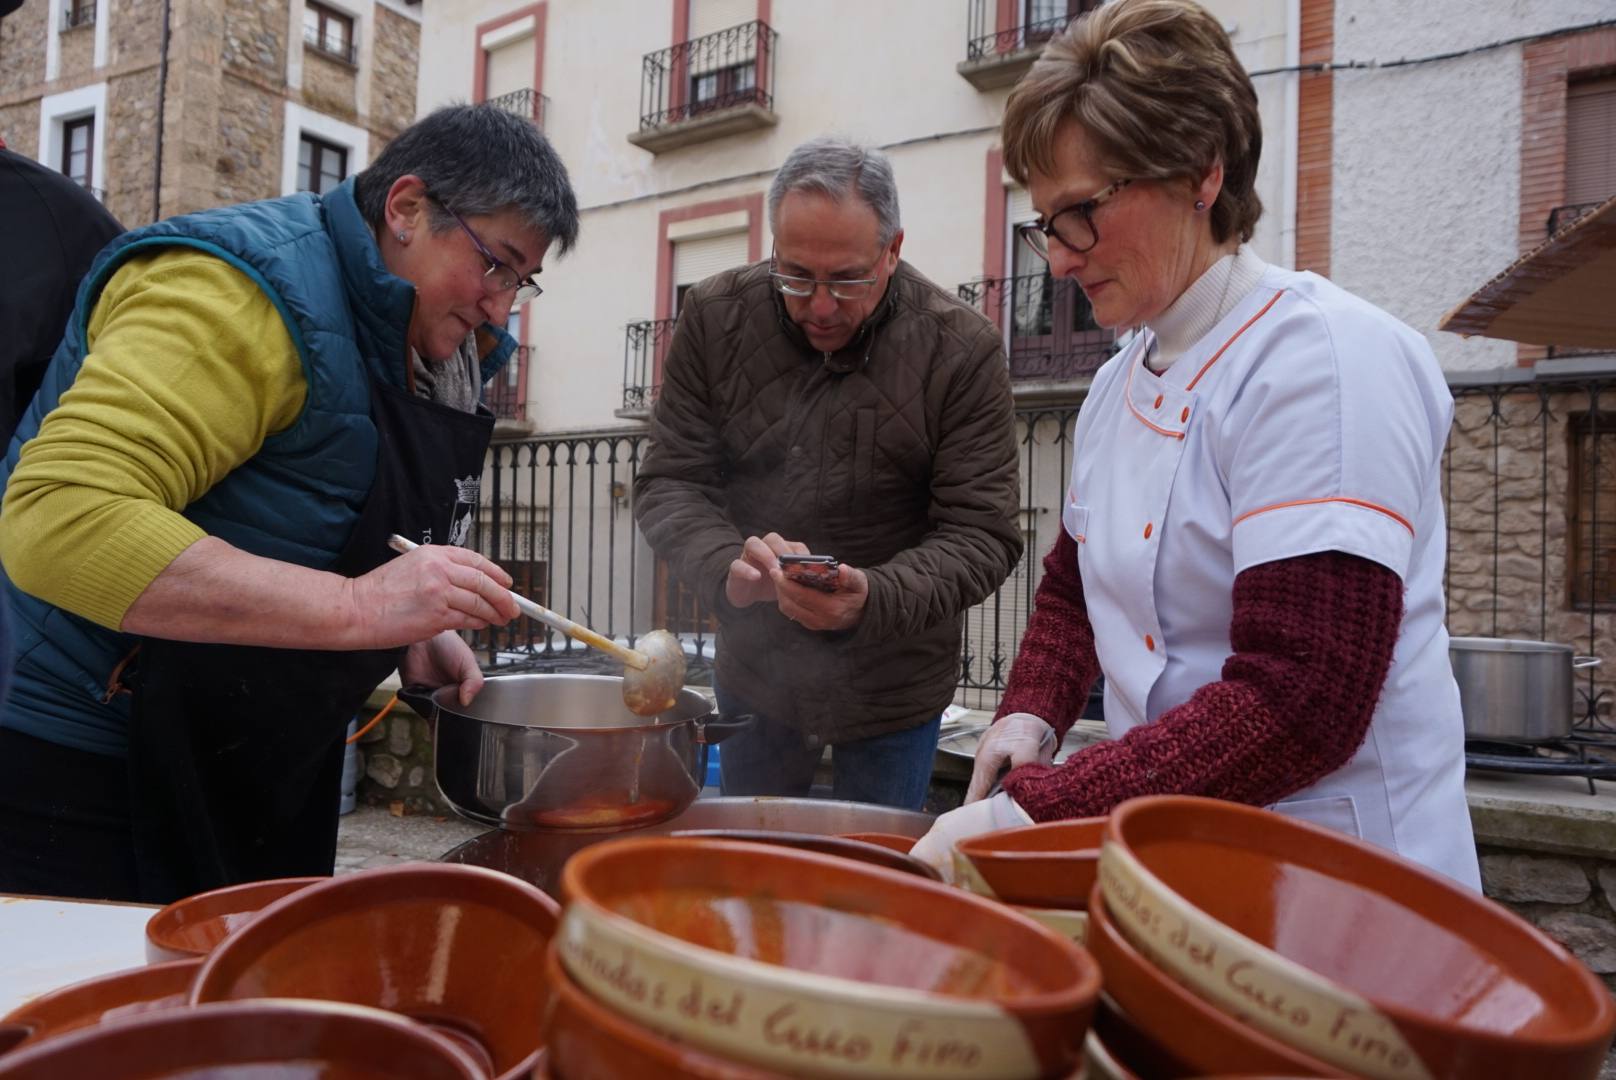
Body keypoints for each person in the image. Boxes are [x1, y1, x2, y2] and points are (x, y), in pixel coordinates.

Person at [912, 0, 1480, 889]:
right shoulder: (1117, 382)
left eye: (1081, 214)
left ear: (1200, 175)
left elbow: (1304, 697)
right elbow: (1074, 587)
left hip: (1345, 882)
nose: (1058, 258)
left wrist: (1035, 811)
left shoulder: (1323, 364)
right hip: (1184, 864)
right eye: (1046, 223)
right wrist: (1029, 715)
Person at [0, 104, 578, 903]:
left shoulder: (426, 345)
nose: (500, 307)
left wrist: (412, 628)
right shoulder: (238, 289)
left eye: (522, 281)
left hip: (260, 757)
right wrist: (357, 608)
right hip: (91, 764)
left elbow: (317, 511)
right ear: (407, 209)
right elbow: (59, 516)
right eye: (495, 265)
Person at [634, 137, 1023, 810]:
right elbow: (670, 482)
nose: (818, 305)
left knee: (872, 884)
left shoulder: (962, 350)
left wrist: (874, 595)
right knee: (751, 882)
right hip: (757, 675)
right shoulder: (714, 316)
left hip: (895, 685)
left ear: (893, 249)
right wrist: (728, 566)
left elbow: (983, 534)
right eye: (794, 276)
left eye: (847, 279)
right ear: (773, 242)